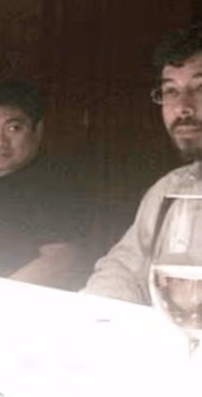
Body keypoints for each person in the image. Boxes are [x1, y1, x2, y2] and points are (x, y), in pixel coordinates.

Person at [84, 24, 202, 303]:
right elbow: (121, 270)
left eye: (200, 88)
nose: (182, 107)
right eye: (171, 91)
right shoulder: (170, 189)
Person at [0, 80, 90, 289]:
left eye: (13, 128)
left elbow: (60, 261)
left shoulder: (55, 185)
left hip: (14, 298)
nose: (0, 141)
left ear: (37, 131)